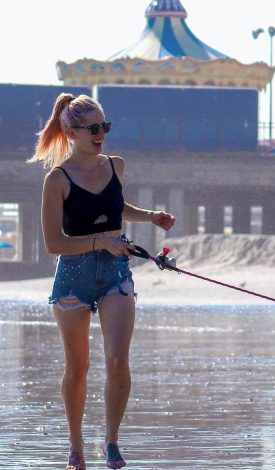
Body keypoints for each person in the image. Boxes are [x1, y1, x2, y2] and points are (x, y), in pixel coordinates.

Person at [27, 93, 175, 470]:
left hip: (116, 274)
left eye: (104, 126)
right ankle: (76, 449)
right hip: (73, 275)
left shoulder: (116, 166)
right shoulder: (56, 180)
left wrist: (150, 216)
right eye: (93, 128)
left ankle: (111, 442)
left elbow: (115, 205)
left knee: (117, 359)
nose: (101, 134)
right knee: (78, 367)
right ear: (70, 131)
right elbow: (52, 243)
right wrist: (100, 241)